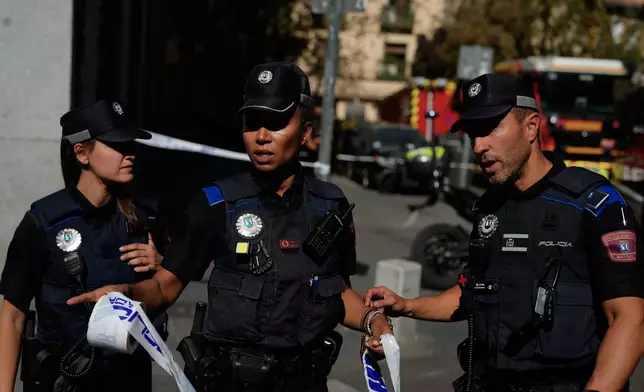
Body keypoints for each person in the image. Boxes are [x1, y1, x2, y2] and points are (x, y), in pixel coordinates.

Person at [67, 62, 393, 392]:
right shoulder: (214, 204)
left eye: (277, 122)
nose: (262, 137)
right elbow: (165, 287)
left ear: (306, 131)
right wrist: (128, 294)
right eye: (253, 123)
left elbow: (338, 292)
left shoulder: (331, 206)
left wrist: (372, 320)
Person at [365, 73, 644, 392]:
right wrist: (407, 305)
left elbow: (631, 320)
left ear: (531, 126)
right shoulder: (490, 207)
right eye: (473, 134)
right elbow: (472, 293)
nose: (479, 145)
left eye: (491, 128)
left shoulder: (594, 203)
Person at [0, 100, 168, 392]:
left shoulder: (146, 218)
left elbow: (168, 290)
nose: (130, 155)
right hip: (63, 380)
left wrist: (161, 264)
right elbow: (13, 314)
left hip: (127, 379)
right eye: (117, 146)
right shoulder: (44, 222)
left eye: (130, 145)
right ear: (82, 153)